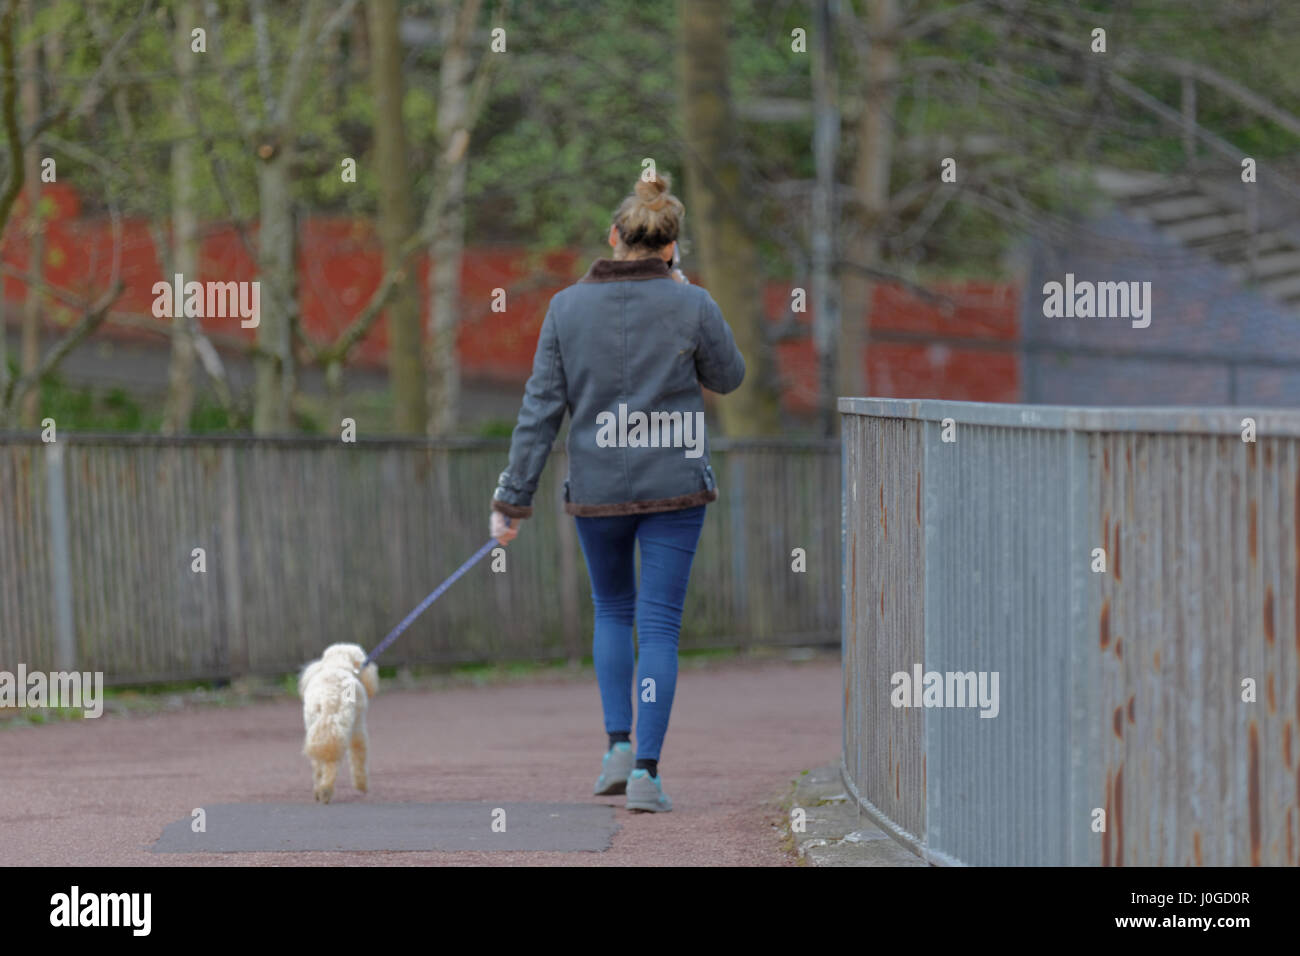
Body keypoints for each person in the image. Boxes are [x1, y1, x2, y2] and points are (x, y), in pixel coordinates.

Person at [488, 172, 746, 812]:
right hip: (674, 489)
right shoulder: (694, 303)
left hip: (597, 486)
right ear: (671, 247)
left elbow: (540, 411)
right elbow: (730, 376)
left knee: (612, 610)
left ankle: (616, 748)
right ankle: (648, 776)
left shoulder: (565, 307)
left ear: (612, 236)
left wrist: (511, 500)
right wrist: (687, 294)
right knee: (659, 626)